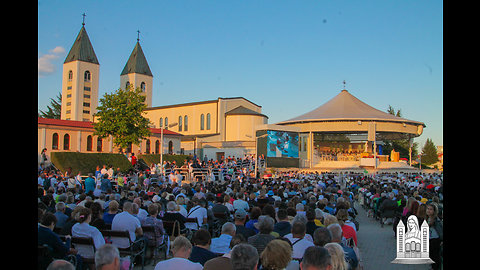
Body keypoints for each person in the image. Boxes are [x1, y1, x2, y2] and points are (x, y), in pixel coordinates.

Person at [426, 203, 443, 270]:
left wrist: (441, 240)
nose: (428, 211)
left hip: (435, 240)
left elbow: (440, 230)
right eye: (428, 209)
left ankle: (436, 268)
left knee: (436, 256)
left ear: (434, 211)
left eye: (431, 209)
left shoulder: (436, 220)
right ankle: (433, 267)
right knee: (431, 255)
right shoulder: (427, 218)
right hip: (430, 239)